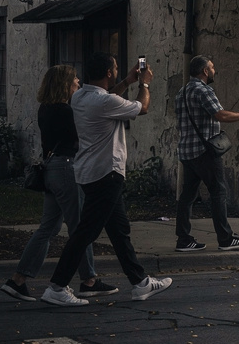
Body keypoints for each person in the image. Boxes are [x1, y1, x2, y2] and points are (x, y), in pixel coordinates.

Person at [40, 52, 172, 306]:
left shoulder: (79, 97)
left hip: (90, 173)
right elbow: (142, 107)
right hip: (106, 174)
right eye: (115, 68)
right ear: (109, 73)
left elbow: (109, 98)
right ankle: (56, 287)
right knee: (85, 232)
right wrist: (143, 83)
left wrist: (126, 81)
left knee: (119, 231)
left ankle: (140, 283)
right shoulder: (103, 102)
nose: (117, 70)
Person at [0, 66, 117, 301]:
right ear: (64, 83)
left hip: (51, 169)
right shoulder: (66, 111)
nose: (78, 82)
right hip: (67, 168)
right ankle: (88, 280)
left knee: (49, 227)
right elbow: (83, 134)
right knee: (79, 227)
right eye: (74, 79)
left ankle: (18, 279)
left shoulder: (46, 109)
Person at [175, 55, 239, 252]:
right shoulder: (204, 90)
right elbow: (220, 114)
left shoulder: (182, 92)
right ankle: (225, 238)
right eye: (212, 67)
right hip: (205, 152)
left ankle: (184, 239)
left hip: (187, 152)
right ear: (204, 71)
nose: (214, 70)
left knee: (187, 196)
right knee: (218, 191)